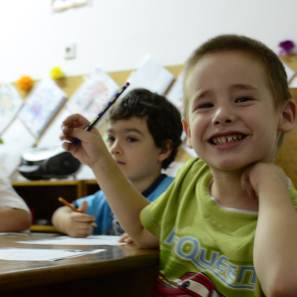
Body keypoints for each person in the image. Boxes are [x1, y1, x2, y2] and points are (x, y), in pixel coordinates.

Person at [59, 34, 297, 296]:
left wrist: (270, 183)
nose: (222, 115)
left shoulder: (287, 209)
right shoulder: (191, 178)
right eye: (205, 105)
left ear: (284, 116)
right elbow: (141, 230)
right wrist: (99, 159)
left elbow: (283, 285)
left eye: (242, 99)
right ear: (189, 133)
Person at [52, 88, 183, 238]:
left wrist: (145, 237)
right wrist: (68, 222)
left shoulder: (176, 194)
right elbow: (60, 212)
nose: (114, 149)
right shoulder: (108, 194)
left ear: (163, 149)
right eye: (111, 138)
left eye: (131, 139)